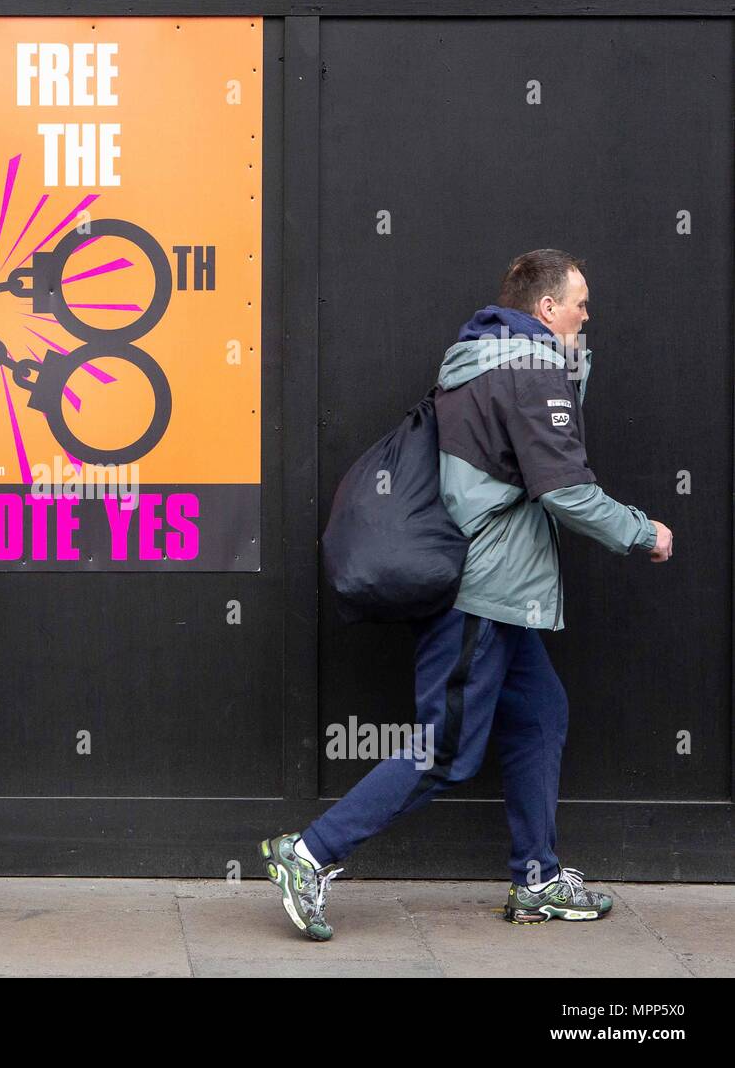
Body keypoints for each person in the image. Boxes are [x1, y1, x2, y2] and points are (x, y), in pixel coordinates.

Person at [262, 249, 673, 940]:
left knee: (540, 711)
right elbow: (564, 487)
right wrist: (641, 531)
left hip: (502, 591)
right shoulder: (529, 369)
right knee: (446, 750)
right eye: (579, 303)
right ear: (546, 308)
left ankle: (538, 877)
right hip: (481, 591)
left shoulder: (490, 361)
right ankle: (308, 853)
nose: (586, 315)